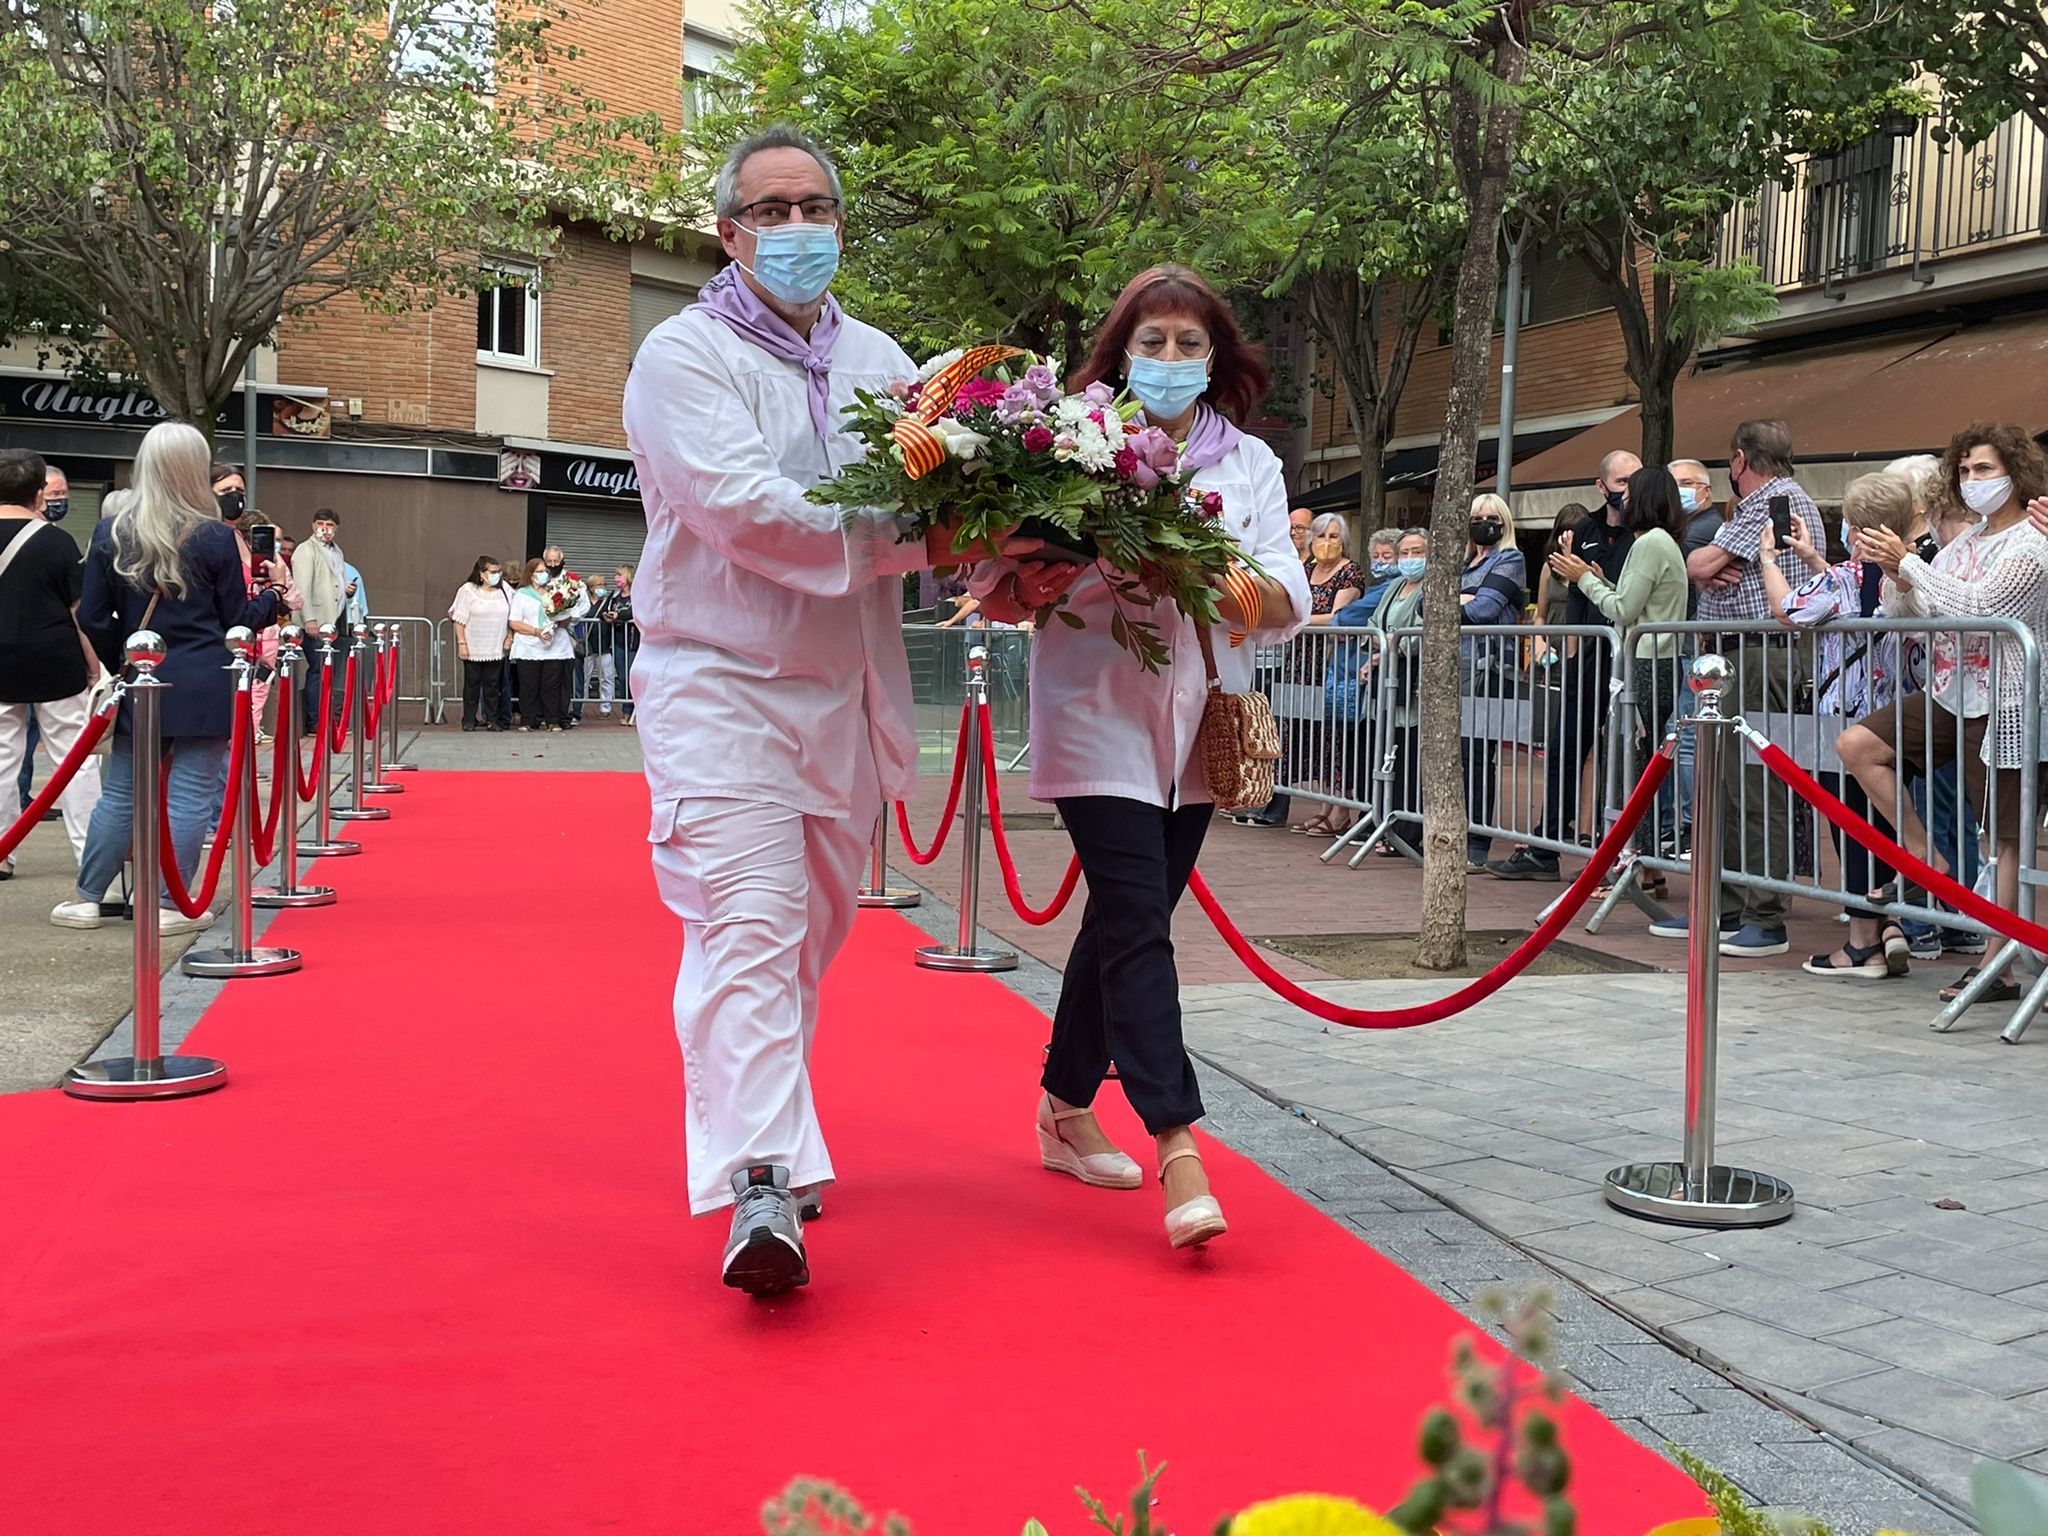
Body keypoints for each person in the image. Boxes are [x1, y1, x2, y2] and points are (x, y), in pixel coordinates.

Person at [622, 124, 970, 1294]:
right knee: (749, 928)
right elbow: (747, 509)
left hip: (841, 696)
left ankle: (771, 1129)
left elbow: (943, 483)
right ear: (727, 233)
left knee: (804, 940)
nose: (796, 229)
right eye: (771, 210)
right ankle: (759, 1181)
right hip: (716, 687)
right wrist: (925, 535)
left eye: (814, 206)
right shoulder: (680, 356)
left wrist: (1003, 549)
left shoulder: (880, 360)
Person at [973, 262, 1310, 1251]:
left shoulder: (1246, 463)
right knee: (1133, 918)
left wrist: (1201, 569)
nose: (1167, 360)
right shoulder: (1067, 447)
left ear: (1215, 358)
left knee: (1126, 923)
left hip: (1197, 724)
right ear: (1117, 352)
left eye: (1187, 343)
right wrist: (1033, 573)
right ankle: (1178, 1143)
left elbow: (1287, 596)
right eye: (1149, 342)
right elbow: (992, 581)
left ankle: (1061, 1106)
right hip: (1094, 713)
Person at [1838, 423, 2048, 1007]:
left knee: (2004, 838)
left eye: (1984, 469)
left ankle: (1997, 964)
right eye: (1965, 470)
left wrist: (1914, 563)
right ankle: (1922, 856)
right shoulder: (1962, 545)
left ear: (2015, 473)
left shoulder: (2034, 541)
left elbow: (1986, 607)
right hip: (1950, 691)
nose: (1972, 479)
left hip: (2009, 699)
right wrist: (1895, 571)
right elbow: (1912, 610)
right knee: (1858, 746)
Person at [54, 423, 288, 932]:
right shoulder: (213, 536)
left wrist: (130, 657)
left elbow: (92, 614)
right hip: (204, 675)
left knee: (121, 792)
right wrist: (271, 599)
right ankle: (166, 902)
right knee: (190, 794)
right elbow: (235, 620)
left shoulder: (110, 531)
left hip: (141, 677)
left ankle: (90, 897)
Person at [1753, 472, 1925, 978]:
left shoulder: (1844, 579)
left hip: (1846, 723)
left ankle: (1861, 943)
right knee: (1886, 828)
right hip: (1897, 722)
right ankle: (1889, 924)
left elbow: (1788, 610)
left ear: (1856, 525)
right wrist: (1812, 560)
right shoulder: (1910, 576)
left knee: (1851, 830)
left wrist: (1768, 559)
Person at [1671, 420, 1822, 958]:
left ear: (1739, 459)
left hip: (1760, 654)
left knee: (1756, 785)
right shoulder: (1778, 498)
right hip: (1743, 654)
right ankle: (1728, 905)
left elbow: (1699, 562)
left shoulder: (1770, 499)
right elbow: (1705, 568)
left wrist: (1711, 564)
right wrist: (1710, 568)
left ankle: (1764, 912)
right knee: (1730, 786)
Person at [1533, 464, 1690, 881]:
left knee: (1630, 767)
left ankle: (1632, 862)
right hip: (1651, 661)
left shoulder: (1650, 544)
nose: (1625, 501)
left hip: (1645, 664)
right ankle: (1641, 866)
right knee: (1634, 764)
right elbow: (1629, 597)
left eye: (1631, 493)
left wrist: (1584, 578)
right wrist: (1600, 580)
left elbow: (1622, 609)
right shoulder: (1662, 543)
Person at [1489, 450, 1638, 881]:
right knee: (1563, 746)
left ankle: (1619, 853)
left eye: (1634, 481)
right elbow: (1573, 593)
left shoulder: (1644, 532)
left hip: (1630, 656)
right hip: (1587, 656)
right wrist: (1572, 648)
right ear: (1602, 484)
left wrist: (1587, 578)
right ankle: (1545, 845)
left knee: (1623, 756)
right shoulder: (1585, 528)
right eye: (1621, 481)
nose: (1627, 490)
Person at [1884, 452, 1984, 962]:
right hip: (1937, 691)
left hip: (1980, 694)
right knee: (1937, 802)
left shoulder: (1963, 544)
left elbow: (1973, 606)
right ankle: (1942, 905)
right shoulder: (1930, 551)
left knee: (1957, 809)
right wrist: (1896, 570)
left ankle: (1944, 915)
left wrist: (1908, 566)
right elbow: (1901, 611)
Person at [0, 450, 102, 880]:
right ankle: (95, 859)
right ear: (39, 491)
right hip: (53, 658)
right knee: (74, 759)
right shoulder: (57, 541)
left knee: (1, 757)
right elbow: (78, 610)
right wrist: (95, 665)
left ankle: (3, 852)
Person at [1456, 492, 1527, 871]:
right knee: (1459, 754)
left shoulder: (1510, 559)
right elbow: (1424, 605)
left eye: (1492, 516)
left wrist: (1465, 600)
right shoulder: (1466, 561)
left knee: (1479, 754)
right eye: (1478, 516)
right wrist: (1464, 597)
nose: (1485, 522)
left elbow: (1484, 610)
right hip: (1457, 666)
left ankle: (1477, 843)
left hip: (1490, 667)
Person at [1288, 515, 1366, 835]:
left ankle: (1341, 810)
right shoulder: (1305, 570)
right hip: (1301, 661)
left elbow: (1337, 618)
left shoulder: (1350, 572)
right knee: (1315, 733)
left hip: (1332, 661)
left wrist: (1298, 621)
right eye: (1321, 535)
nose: (1327, 541)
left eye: (1334, 536)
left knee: (1336, 735)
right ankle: (1323, 804)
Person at [1368, 526, 1430, 855]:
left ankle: (1408, 832)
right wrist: (1378, 647)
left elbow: (1420, 630)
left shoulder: (1431, 588)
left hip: (1414, 680)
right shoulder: (1394, 586)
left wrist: (1393, 646)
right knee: (1389, 752)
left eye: (1417, 552)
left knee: (1410, 756)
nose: (1410, 559)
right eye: (1404, 553)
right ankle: (1388, 822)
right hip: (1388, 678)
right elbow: (1373, 622)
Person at [292, 509, 353, 734]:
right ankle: (315, 720)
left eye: (330, 525)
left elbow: (336, 581)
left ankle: (325, 717)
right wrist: (309, 618)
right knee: (317, 669)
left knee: (327, 670)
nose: (325, 529)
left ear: (336, 529)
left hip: (331, 622)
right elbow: (302, 587)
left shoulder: (337, 551)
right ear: (312, 525)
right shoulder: (306, 550)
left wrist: (346, 590)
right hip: (315, 621)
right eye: (320, 523)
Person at [449, 555, 512, 731]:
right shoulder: (468, 590)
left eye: (499, 572)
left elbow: (512, 616)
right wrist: (462, 643)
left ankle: (492, 719)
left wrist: (509, 637)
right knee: (472, 685)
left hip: (496, 645)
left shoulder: (505, 590)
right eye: (492, 572)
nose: (497, 575)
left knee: (493, 686)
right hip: (473, 645)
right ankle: (469, 719)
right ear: (482, 573)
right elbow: (459, 619)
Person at [607, 565, 638, 724]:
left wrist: (620, 616)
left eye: (620, 575)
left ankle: (633, 710)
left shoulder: (638, 595)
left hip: (633, 642)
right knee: (622, 677)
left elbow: (637, 612)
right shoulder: (614, 596)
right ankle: (626, 710)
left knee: (631, 676)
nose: (617, 578)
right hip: (618, 642)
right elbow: (604, 610)